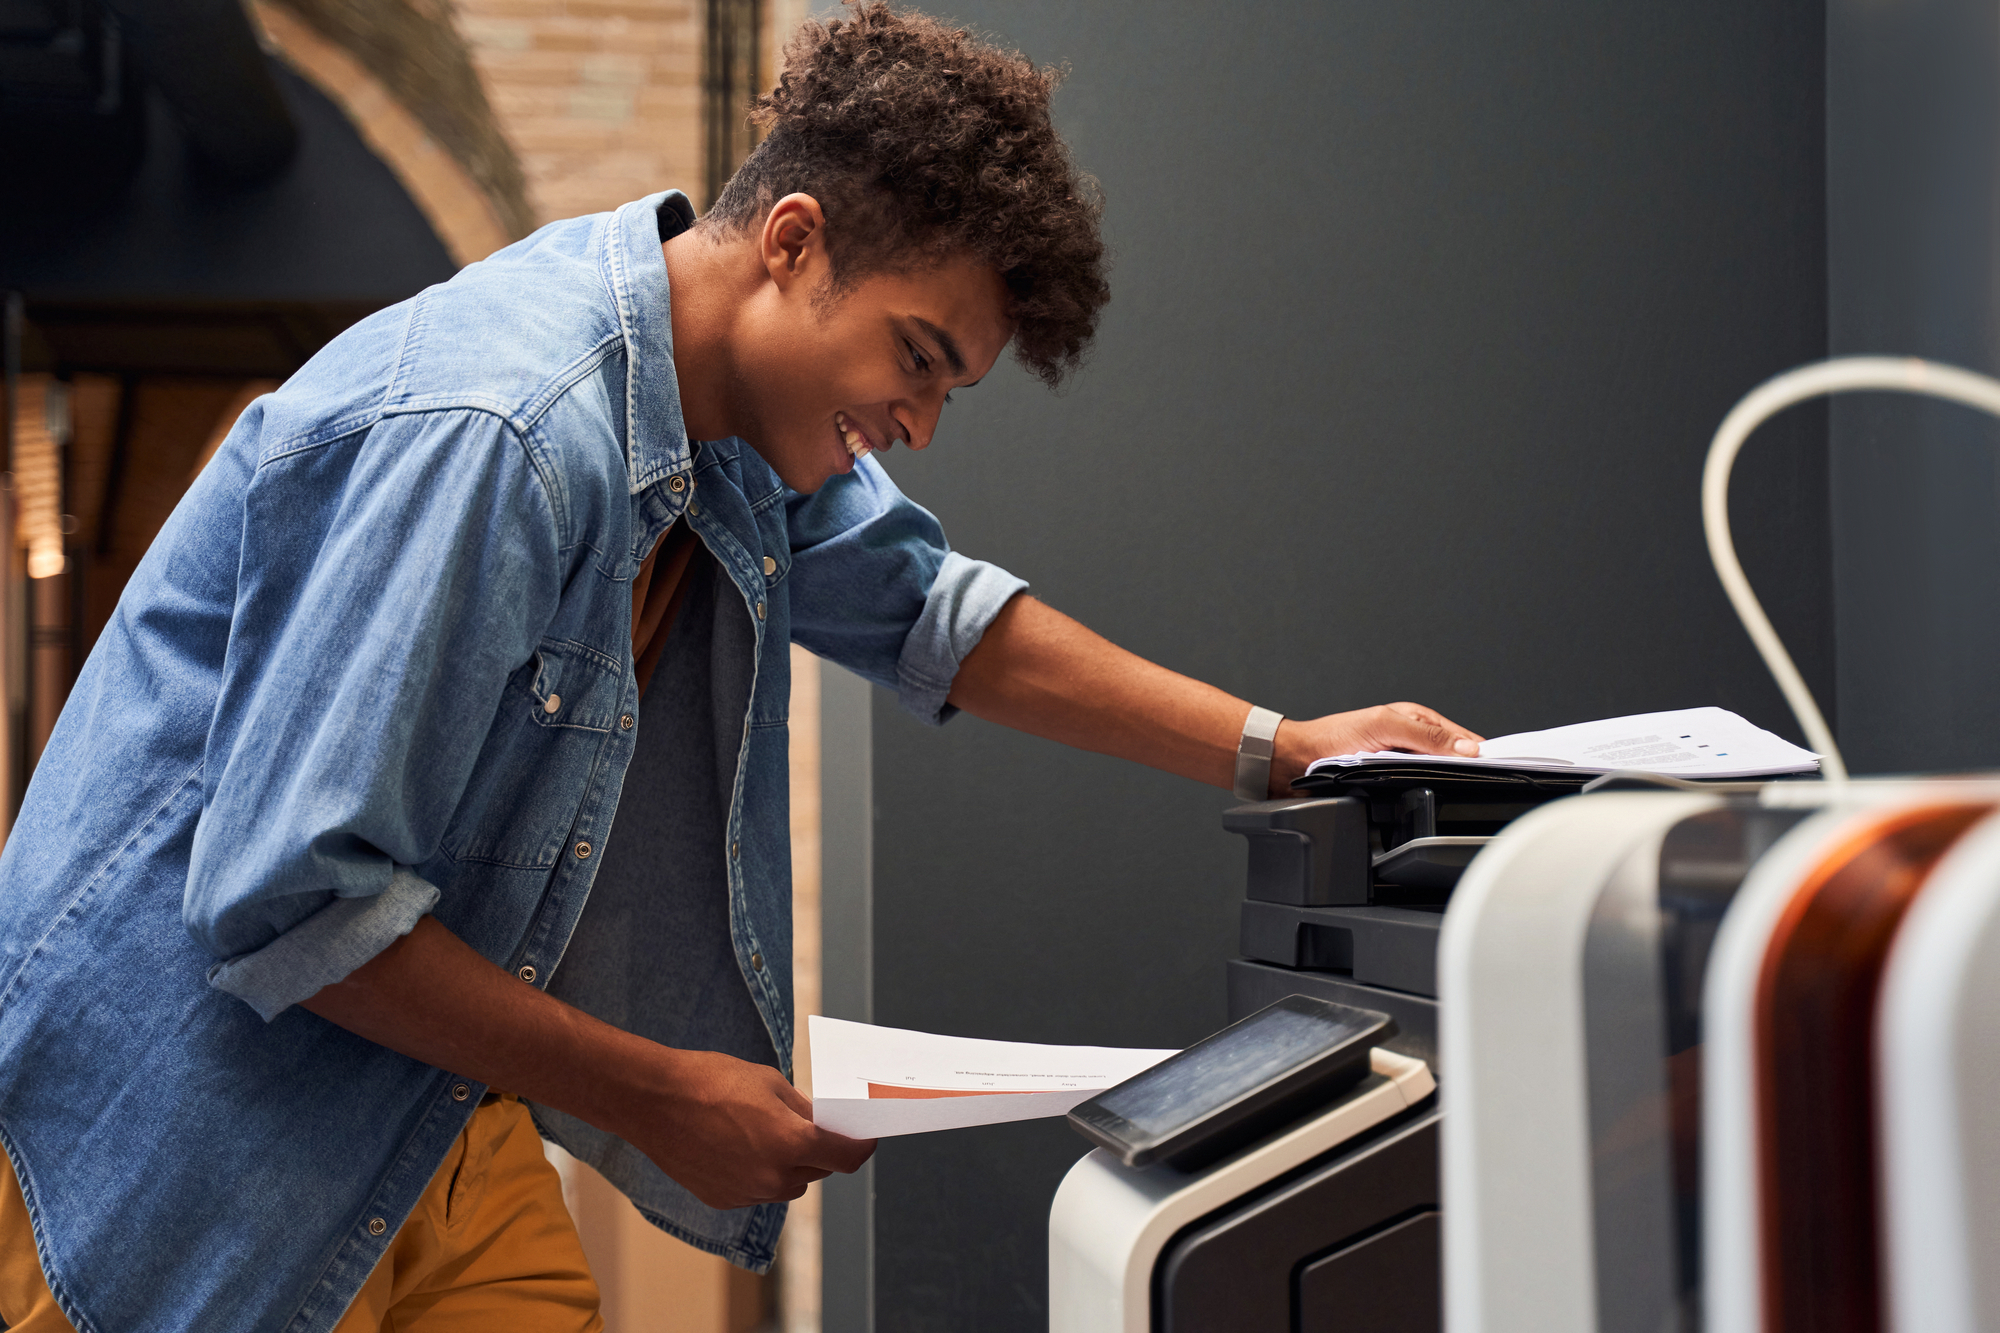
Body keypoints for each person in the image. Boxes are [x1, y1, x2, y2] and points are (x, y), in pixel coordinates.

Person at [0, 4, 1480, 1330]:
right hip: (154, 1146)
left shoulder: (727, 432)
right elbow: (287, 900)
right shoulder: (503, 430)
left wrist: (1282, 745)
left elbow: (934, 615)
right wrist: (657, 1088)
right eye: (915, 359)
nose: (920, 422)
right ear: (793, 243)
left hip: (416, 1105)